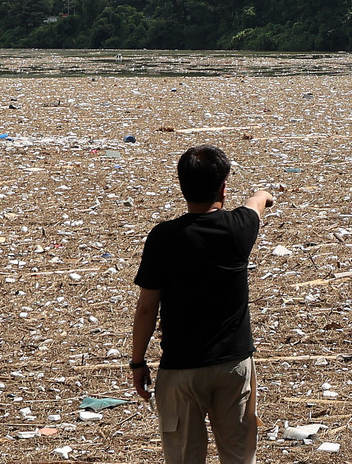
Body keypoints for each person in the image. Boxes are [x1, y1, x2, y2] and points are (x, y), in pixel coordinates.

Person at [130, 144, 274, 464]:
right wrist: (264, 194)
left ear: (182, 186)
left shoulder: (163, 237)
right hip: (233, 367)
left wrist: (138, 362)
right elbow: (256, 204)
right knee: (238, 456)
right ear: (223, 187)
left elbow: (146, 309)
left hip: (181, 370)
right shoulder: (238, 228)